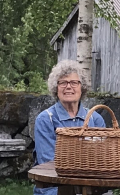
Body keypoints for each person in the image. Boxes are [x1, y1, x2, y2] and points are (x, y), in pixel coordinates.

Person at [34, 60, 106, 195]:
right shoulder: (46, 120)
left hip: (92, 186)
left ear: (82, 87)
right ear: (56, 88)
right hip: (54, 188)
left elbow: (102, 160)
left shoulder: (95, 119)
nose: (68, 87)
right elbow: (49, 164)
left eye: (74, 82)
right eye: (63, 83)